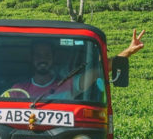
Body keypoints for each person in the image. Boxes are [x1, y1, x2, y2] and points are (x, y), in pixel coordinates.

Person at [9, 29, 145, 99]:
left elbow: (101, 69)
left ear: (53, 58)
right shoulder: (17, 91)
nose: (42, 59)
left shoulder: (67, 85)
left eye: (47, 55)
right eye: (38, 55)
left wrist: (128, 51)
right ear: (31, 59)